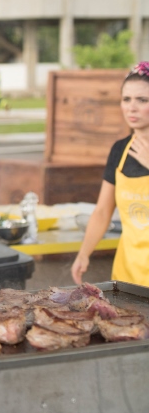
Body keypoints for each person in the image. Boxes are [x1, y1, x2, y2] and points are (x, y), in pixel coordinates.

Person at [71, 62, 149, 286]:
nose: (131, 108)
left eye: (142, 100)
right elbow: (103, 211)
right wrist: (84, 253)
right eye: (126, 99)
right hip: (128, 274)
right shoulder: (120, 150)